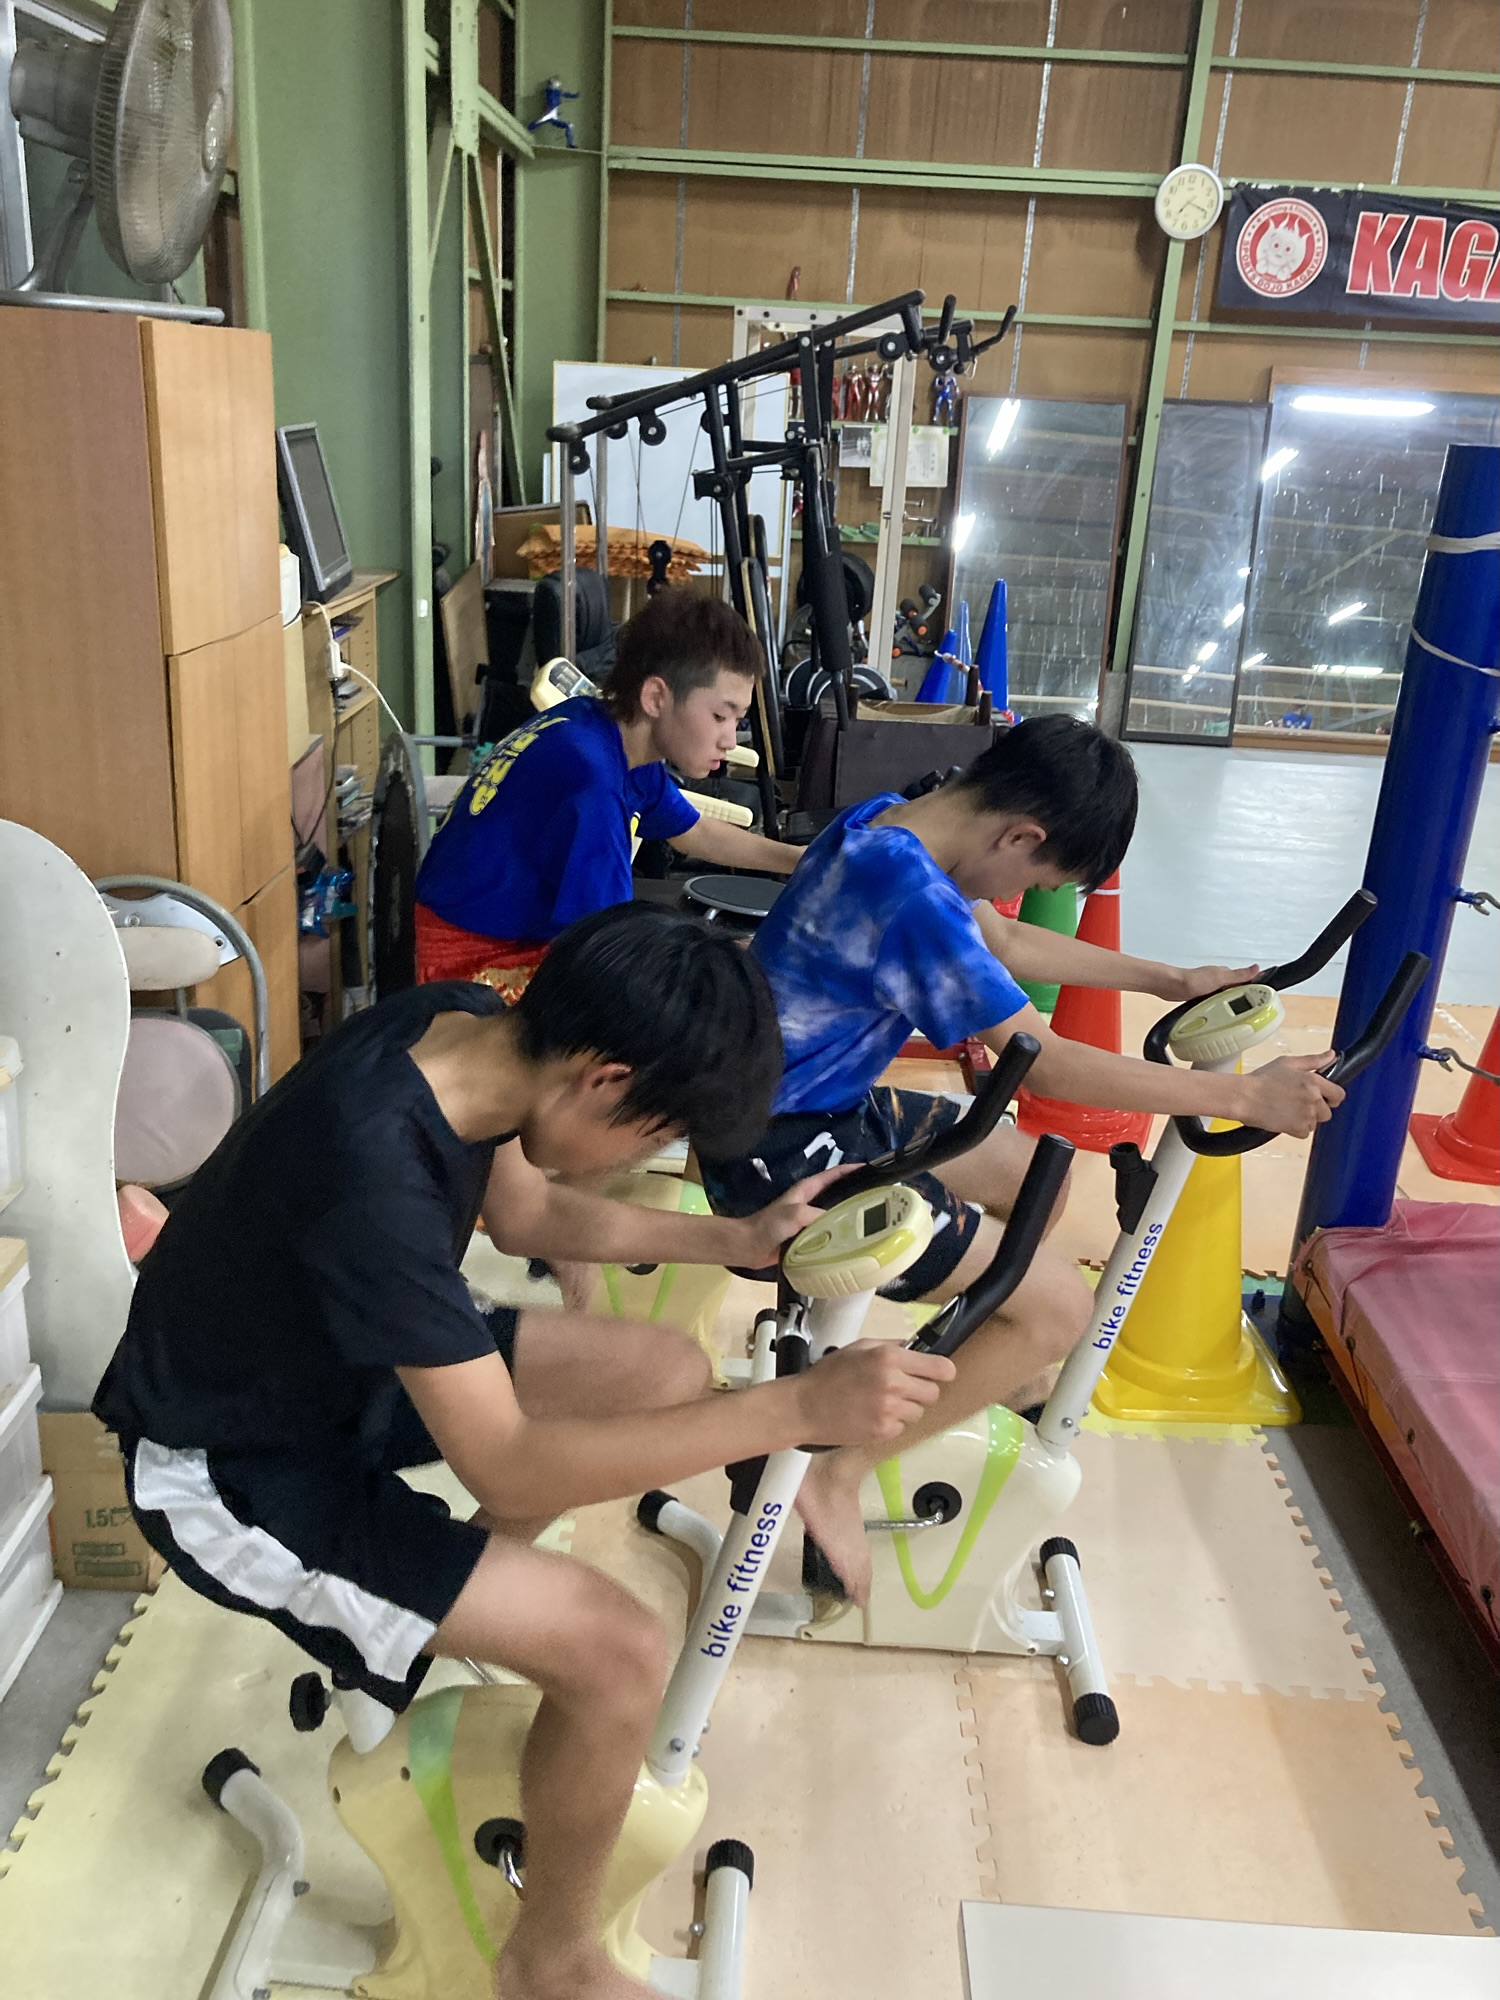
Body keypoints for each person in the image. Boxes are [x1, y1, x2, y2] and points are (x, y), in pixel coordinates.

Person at [93, 905, 951, 2000]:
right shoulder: (373, 1169)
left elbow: (531, 1213)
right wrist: (796, 1409)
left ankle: (429, 1601)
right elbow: (506, 1467)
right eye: (651, 1136)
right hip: (231, 1468)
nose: (643, 1159)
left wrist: (731, 1240)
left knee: (658, 1370)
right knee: (621, 1654)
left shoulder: (463, 1024)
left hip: (333, 1366)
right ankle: (551, 1963)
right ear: (603, 1079)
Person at [699, 716, 1345, 1604]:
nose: (1027, 895)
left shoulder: (891, 822)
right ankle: (837, 1470)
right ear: (1020, 837)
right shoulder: (911, 895)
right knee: (1060, 1311)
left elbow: (1002, 946)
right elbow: (1044, 1060)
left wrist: (1172, 980)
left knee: (1032, 1170)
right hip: (782, 1155)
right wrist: (1242, 1098)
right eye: (1037, 879)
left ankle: (977, 1352)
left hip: (818, 1102)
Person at [412, 588, 801, 994]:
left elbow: (695, 831)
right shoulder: (592, 784)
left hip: (507, 933)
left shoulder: (606, 729)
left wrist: (798, 860)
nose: (729, 739)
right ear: (656, 697)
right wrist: (739, 954)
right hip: (470, 964)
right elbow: (610, 953)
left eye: (738, 720)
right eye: (721, 716)